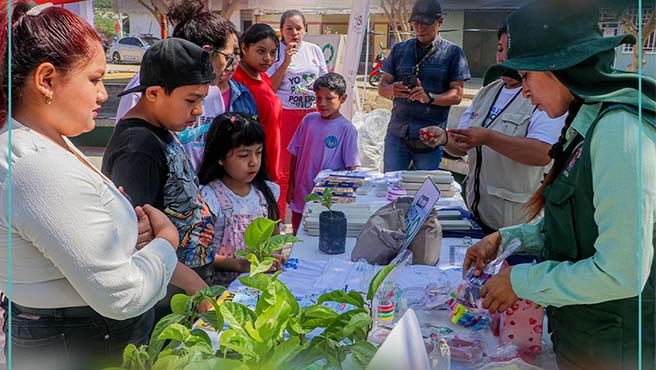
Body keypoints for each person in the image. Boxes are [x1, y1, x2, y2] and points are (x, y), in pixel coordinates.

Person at [464, 1, 656, 369]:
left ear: (559, 70)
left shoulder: (619, 134)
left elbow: (621, 272)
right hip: (584, 338)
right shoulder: (585, 123)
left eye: (526, 76)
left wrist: (520, 280)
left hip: (618, 348)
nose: (523, 91)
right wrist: (507, 238)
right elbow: (575, 219)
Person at [0, 3, 179, 369]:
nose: (103, 94)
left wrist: (125, 229)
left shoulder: (46, 141)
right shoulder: (36, 166)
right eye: (95, 79)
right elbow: (122, 295)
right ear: (47, 80)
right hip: (80, 344)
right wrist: (166, 241)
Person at [101, 38, 217, 319]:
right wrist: (197, 288)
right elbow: (138, 240)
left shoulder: (161, 129)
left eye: (201, 99)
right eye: (191, 100)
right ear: (153, 93)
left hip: (185, 291)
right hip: (166, 302)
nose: (199, 110)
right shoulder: (137, 148)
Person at [420, 21, 566, 232]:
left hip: (515, 224)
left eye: (511, 51)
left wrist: (489, 138)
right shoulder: (488, 92)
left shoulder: (542, 96)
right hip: (477, 213)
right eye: (499, 49)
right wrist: (443, 138)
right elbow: (462, 146)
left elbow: (543, 153)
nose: (502, 57)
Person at [115, 0, 236, 171]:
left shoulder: (214, 92)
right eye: (228, 57)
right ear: (208, 52)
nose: (230, 65)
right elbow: (129, 149)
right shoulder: (146, 84)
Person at [377, 0, 470, 172]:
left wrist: (429, 97)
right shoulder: (399, 50)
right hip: (397, 134)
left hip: (430, 137)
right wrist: (392, 89)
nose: (420, 28)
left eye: (426, 23)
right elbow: (382, 87)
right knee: (392, 187)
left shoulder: (453, 53)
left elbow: (457, 95)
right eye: (416, 23)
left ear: (440, 22)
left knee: (424, 190)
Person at [197, 113, 287, 286]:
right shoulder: (209, 198)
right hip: (221, 290)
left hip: (259, 284)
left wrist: (273, 256)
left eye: (258, 152)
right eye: (244, 155)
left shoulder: (266, 192)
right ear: (221, 158)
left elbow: (275, 234)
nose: (253, 162)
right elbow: (200, 253)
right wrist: (242, 265)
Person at [267, 10, 328, 221]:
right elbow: (270, 87)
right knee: (283, 171)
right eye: (289, 28)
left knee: (310, 168)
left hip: (312, 116)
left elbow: (324, 84)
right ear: (281, 31)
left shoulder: (315, 50)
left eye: (298, 28)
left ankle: (308, 218)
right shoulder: (275, 53)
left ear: (305, 30)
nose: (294, 33)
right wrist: (285, 61)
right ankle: (278, 221)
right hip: (285, 115)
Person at [287, 73, 360, 235]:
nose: (322, 103)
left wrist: (345, 197)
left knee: (319, 234)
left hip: (327, 199)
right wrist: (291, 185)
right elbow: (295, 153)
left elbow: (351, 169)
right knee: (298, 235)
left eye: (329, 98)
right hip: (302, 194)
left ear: (343, 98)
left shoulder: (347, 130)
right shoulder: (308, 121)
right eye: (318, 98)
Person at [233, 23, 283, 185]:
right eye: (261, 51)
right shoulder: (236, 81)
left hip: (269, 160)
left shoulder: (264, 77)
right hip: (251, 167)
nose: (268, 58)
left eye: (273, 52)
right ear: (244, 48)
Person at [218, 31, 259, 118]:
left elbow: (253, 123)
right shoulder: (192, 94)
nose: (232, 60)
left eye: (236, 53)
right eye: (226, 54)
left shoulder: (244, 93)